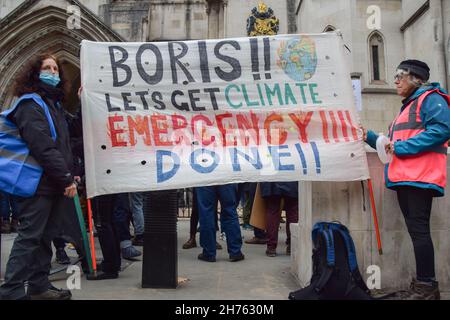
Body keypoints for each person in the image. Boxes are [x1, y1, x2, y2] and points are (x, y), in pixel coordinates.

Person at [363, 60, 450, 300]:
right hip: (408, 177)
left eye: (400, 76)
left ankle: (427, 287)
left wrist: (401, 147)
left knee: (420, 231)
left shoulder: (432, 98)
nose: (396, 81)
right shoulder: (408, 106)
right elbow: (389, 145)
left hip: (420, 177)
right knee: (416, 231)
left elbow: (442, 130)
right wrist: (368, 136)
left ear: (416, 78)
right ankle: (423, 284)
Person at [0, 53, 78, 300]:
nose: (53, 72)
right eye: (47, 68)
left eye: (55, 68)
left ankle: (38, 285)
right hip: (37, 185)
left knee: (45, 237)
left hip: (51, 183)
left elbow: (68, 141)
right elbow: (43, 146)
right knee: (30, 237)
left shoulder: (52, 105)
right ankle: (11, 290)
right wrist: (66, 178)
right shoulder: (29, 105)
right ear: (35, 73)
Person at [196, 184, 244, 262]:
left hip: (205, 177)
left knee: (206, 213)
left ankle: (209, 253)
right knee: (230, 211)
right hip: (226, 177)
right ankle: (235, 251)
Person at [260, 182, 298, 257]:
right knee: (292, 211)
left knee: (272, 210)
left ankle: (271, 247)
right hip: (292, 179)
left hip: (271, 180)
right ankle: (292, 245)